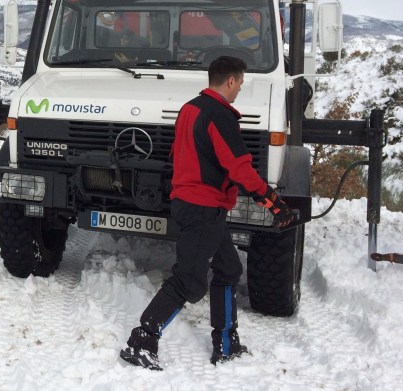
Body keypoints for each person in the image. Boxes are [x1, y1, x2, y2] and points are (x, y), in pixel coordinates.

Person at [120, 56, 295, 370]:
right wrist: (273, 202)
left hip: (198, 205)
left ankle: (226, 344)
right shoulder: (219, 116)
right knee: (188, 281)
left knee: (228, 270)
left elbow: (180, 153)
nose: (240, 89)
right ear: (229, 80)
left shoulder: (190, 108)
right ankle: (142, 341)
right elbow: (239, 167)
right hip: (202, 207)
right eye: (240, 82)